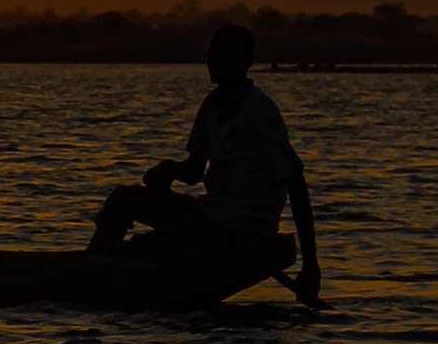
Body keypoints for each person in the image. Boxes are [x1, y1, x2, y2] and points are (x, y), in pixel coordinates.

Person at [88, 25, 324, 307]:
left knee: (126, 206)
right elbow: (193, 171)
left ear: (245, 62)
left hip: (241, 228)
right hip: (211, 216)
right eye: (212, 54)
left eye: (223, 55)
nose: (213, 61)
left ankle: (88, 273)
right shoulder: (212, 105)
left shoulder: (258, 110)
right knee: (133, 224)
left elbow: (295, 182)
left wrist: (311, 265)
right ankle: (92, 266)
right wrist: (168, 171)